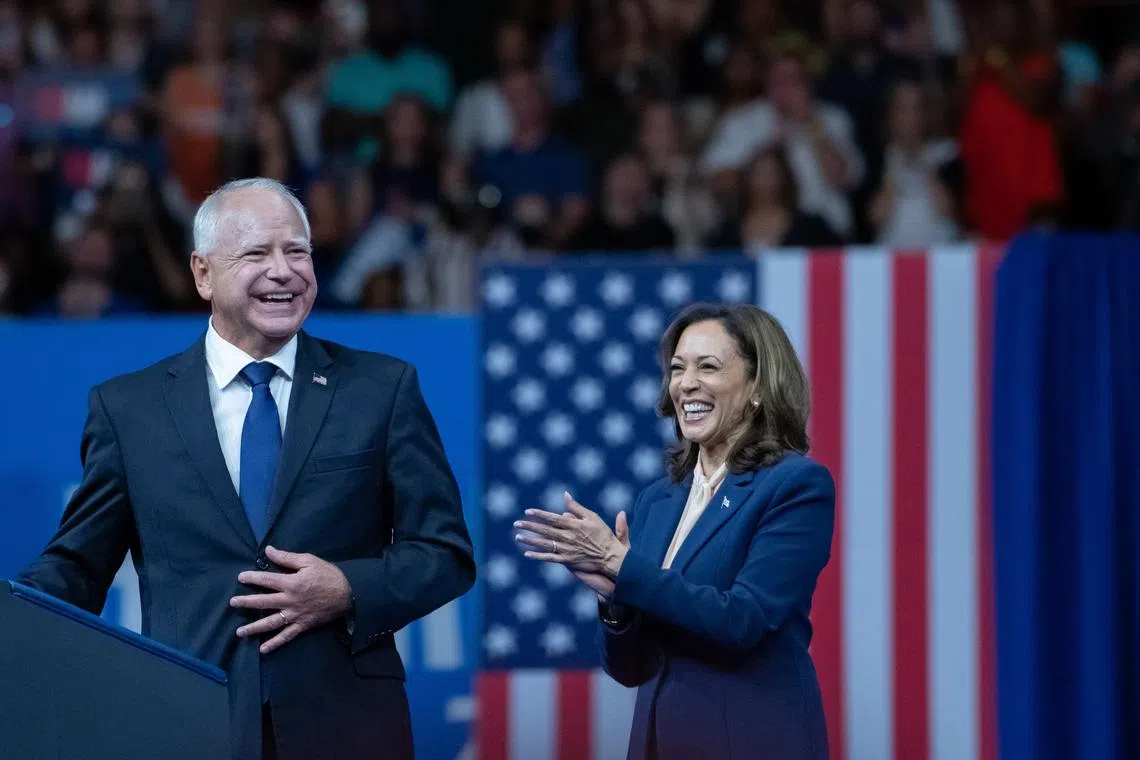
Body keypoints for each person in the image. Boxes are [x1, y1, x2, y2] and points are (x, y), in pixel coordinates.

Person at [16, 177, 476, 760]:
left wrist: (347, 588)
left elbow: (444, 553)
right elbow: (77, 568)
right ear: (203, 273)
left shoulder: (381, 389)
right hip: (187, 725)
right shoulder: (129, 410)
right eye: (256, 253)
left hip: (347, 725)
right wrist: (14, 615)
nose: (283, 271)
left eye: (297, 252)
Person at [514, 303, 834, 760]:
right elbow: (631, 669)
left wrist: (624, 567)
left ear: (758, 388)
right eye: (679, 368)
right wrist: (616, 602)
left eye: (708, 367)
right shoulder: (659, 500)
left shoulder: (794, 485)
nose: (686, 384)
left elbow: (742, 621)